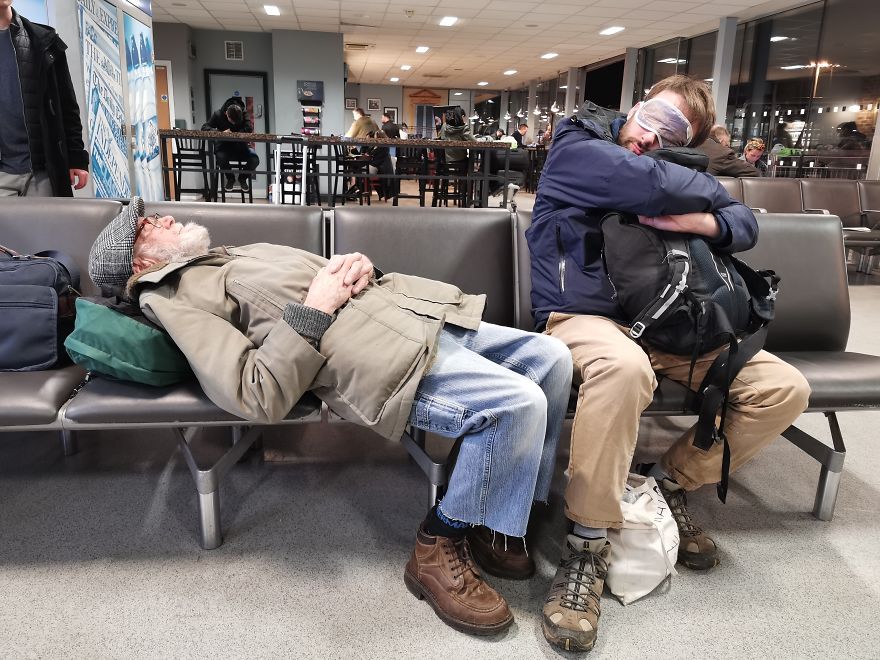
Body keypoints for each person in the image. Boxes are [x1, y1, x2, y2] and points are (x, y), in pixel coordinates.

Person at [87, 196, 573, 639]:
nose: (164, 216)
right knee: (518, 402)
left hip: (414, 314)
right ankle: (439, 540)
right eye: (149, 224)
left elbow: (329, 277)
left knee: (553, 358)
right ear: (139, 263)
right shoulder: (171, 297)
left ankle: (498, 522)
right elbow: (253, 392)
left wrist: (362, 269)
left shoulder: (228, 256)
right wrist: (317, 304)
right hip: (380, 360)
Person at [527, 75, 810, 652]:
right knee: (625, 369)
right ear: (636, 105)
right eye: (654, 118)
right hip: (583, 319)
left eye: (675, 134)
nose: (653, 138)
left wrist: (705, 222)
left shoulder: (677, 174)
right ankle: (586, 544)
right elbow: (646, 183)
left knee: (782, 386)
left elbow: (748, 224)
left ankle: (667, 485)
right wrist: (706, 191)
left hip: (673, 325)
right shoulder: (574, 145)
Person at [0, 0, 89, 197]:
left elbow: (67, 105)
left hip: (43, 172)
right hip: (2, 173)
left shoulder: (44, 40)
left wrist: (76, 158)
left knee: (49, 228)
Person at [201, 97, 259, 192]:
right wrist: (220, 133)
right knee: (220, 157)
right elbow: (204, 127)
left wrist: (234, 134)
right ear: (226, 113)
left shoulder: (244, 113)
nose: (234, 124)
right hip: (224, 147)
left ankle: (242, 178)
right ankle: (230, 178)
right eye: (232, 121)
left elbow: (249, 129)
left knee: (255, 159)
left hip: (241, 147)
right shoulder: (218, 114)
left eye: (236, 122)